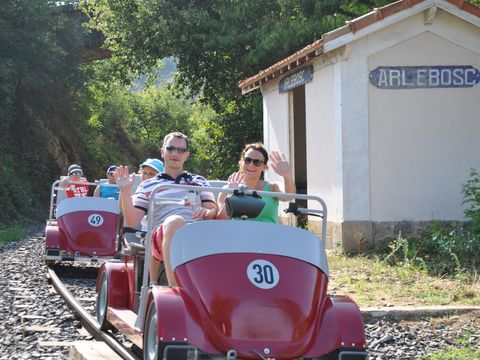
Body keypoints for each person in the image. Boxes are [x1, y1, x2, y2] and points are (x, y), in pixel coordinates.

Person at [115, 132, 217, 286]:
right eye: (171, 149)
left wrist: (208, 212)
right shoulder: (148, 185)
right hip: (160, 237)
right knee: (175, 222)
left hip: (196, 234)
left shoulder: (199, 181)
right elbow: (132, 220)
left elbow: (212, 211)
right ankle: (174, 289)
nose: (175, 153)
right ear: (163, 151)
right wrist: (125, 192)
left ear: (187, 155)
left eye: (181, 150)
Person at [217, 143, 296, 223]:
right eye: (247, 160)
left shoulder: (273, 187)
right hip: (239, 234)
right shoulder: (227, 189)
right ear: (241, 162)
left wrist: (287, 176)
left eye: (257, 162)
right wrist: (232, 194)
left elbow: (289, 196)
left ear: (264, 167)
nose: (251, 165)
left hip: (269, 234)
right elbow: (220, 220)